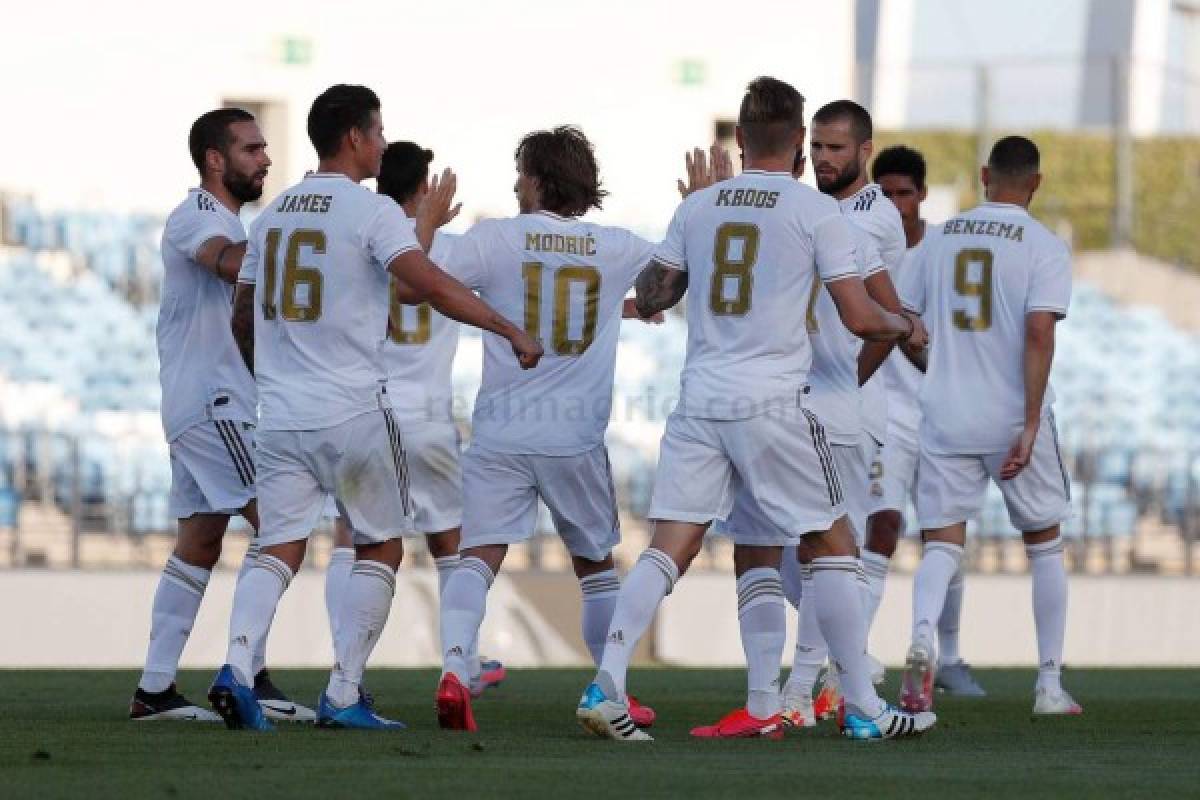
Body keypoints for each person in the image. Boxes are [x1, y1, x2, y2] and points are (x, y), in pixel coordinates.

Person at [577, 76, 934, 742]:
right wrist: (903, 324)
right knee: (833, 543)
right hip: (773, 399)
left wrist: (693, 217)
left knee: (668, 548)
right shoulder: (816, 210)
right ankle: (862, 708)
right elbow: (858, 319)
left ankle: (606, 684)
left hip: (700, 399)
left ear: (738, 138)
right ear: (799, 141)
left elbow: (654, 297)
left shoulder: (700, 207)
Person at [207, 84, 542, 731]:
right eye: (379, 132)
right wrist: (508, 328)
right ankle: (343, 691)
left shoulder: (272, 215)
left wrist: (272, 379)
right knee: (382, 545)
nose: (384, 144)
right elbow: (430, 284)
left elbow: (242, 315)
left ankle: (237, 667)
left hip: (281, 413)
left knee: (276, 546)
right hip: (354, 410)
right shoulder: (370, 211)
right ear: (357, 138)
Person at [433, 126, 659, 732]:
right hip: (573, 438)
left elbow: (423, 272)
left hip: (501, 432)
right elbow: (673, 277)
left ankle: (456, 670)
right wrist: (639, 305)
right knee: (595, 569)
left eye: (520, 171)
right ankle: (613, 687)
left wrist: (425, 220)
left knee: (476, 558)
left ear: (536, 178)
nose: (514, 182)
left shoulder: (495, 240)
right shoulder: (616, 247)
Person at [130, 108, 310, 723]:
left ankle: (154, 691)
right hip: (216, 406)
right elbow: (227, 260)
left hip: (204, 402)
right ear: (215, 159)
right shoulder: (198, 215)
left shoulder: (232, 221)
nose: (264, 158)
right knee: (282, 526)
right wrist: (290, 233)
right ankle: (247, 676)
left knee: (200, 544)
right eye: (252, 149)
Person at [898, 135, 1079, 716]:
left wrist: (936, 369)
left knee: (942, 542)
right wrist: (1029, 423)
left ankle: (924, 634)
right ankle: (1049, 685)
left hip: (947, 412)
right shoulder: (1044, 246)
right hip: (1008, 415)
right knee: (1045, 543)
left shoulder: (941, 236)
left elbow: (904, 322)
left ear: (984, 175)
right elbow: (1039, 334)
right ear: (1038, 182)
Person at [322, 142, 504, 699]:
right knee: (450, 544)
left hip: (366, 411)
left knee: (351, 539)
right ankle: (462, 665)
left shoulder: (358, 243)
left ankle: (346, 660)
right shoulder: (448, 248)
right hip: (427, 418)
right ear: (425, 189)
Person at [779, 99, 908, 724]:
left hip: (841, 409)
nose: (825, 158)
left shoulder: (873, 217)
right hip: (795, 401)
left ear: (865, 151)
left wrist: (845, 388)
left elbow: (889, 324)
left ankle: (803, 692)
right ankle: (840, 668)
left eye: (837, 148)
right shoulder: (806, 207)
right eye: (818, 146)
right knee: (800, 551)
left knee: (827, 552)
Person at [868, 144, 984, 697]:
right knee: (882, 528)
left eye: (903, 193)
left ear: (922, 196)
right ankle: (856, 658)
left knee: (945, 536)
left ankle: (950, 658)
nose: (893, 204)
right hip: (884, 416)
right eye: (884, 193)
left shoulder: (944, 251)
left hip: (940, 416)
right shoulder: (863, 248)